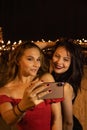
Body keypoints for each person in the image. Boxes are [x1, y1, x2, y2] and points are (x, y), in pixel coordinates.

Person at [0, 41, 63, 130]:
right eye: (30, 59)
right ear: (18, 60)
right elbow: (8, 120)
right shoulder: (5, 90)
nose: (36, 65)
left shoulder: (47, 78)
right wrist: (23, 106)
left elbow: (57, 118)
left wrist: (54, 44)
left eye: (38, 60)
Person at [35, 40, 83, 130]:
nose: (59, 62)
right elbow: (29, 48)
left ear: (72, 63)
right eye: (57, 56)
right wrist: (56, 44)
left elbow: (68, 123)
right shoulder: (52, 77)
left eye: (66, 59)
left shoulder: (64, 87)